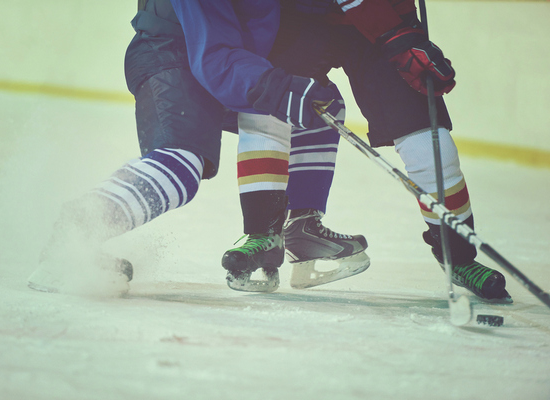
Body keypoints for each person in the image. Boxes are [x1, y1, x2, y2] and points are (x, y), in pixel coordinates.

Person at [27, 0, 369, 295]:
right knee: (182, 163)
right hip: (174, 53)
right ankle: (73, 236)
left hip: (234, 59)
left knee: (318, 106)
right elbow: (214, 53)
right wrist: (274, 86)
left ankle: (301, 227)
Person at [281, 0, 511, 302]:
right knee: (269, 111)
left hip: (379, 18)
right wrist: (395, 32)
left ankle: (458, 256)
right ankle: (266, 233)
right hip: (301, 17)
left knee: (428, 141)